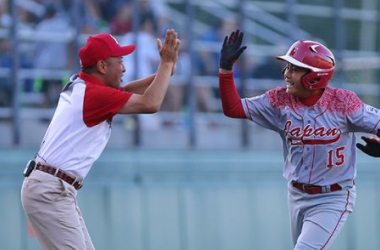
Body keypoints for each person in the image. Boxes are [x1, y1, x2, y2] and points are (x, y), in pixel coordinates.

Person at [218, 29, 380, 249]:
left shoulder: (344, 103)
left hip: (333, 196)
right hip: (296, 194)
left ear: (315, 76)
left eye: (295, 69)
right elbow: (234, 109)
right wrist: (226, 70)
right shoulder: (278, 100)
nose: (286, 73)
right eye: (288, 67)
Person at [21, 29, 180, 249]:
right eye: (119, 61)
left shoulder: (85, 85)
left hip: (51, 187)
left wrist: (165, 71)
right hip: (51, 190)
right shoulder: (93, 95)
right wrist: (165, 65)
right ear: (102, 66)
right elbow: (150, 103)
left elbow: (125, 90)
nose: (124, 67)